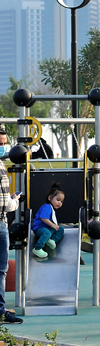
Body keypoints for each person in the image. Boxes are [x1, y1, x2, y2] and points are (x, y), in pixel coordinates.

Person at [0, 129, 23, 324]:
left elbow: (4, 201)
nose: (3, 147)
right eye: (0, 143)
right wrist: (14, 202)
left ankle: (0, 310)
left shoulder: (1, 166)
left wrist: (11, 201)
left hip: (2, 221)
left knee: (1, 268)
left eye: (4, 143)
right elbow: (6, 203)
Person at [31, 184, 65, 260]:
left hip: (46, 227)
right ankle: (37, 248)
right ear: (50, 198)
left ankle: (52, 240)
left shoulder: (51, 208)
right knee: (47, 233)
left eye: (61, 201)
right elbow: (43, 218)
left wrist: (54, 226)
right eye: (58, 200)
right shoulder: (47, 206)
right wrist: (52, 225)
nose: (59, 203)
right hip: (39, 228)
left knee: (60, 229)